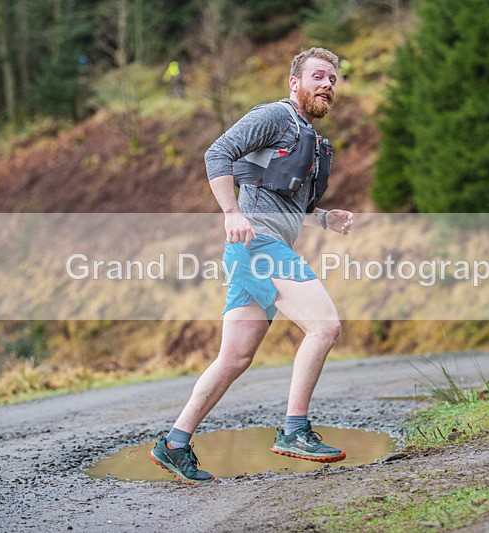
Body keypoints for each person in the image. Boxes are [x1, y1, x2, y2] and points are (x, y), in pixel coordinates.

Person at [148, 47, 354, 484]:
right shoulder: (275, 117)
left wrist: (323, 218)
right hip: (258, 243)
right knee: (325, 326)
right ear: (294, 83)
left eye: (333, 80)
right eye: (318, 76)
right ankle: (295, 430)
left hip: (255, 249)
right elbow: (217, 153)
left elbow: (286, 199)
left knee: (235, 358)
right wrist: (231, 212)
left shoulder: (307, 137)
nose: (327, 85)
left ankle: (174, 444)